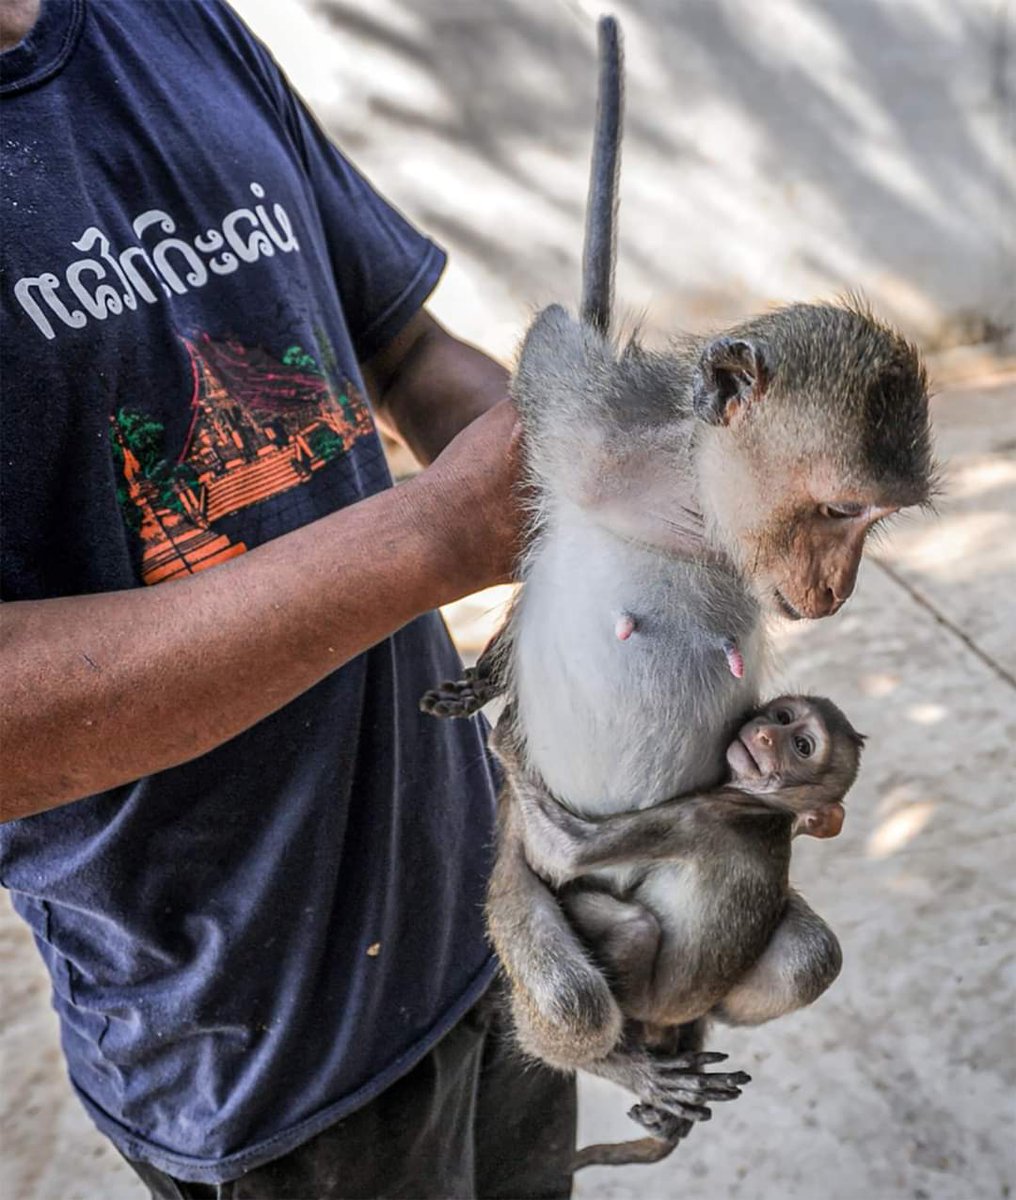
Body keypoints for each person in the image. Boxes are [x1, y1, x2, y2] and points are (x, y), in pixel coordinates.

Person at [0, 0, 577, 1195]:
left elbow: (408, 354)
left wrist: (599, 497)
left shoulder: (166, 22)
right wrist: (432, 535)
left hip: (482, 912)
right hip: (250, 1054)